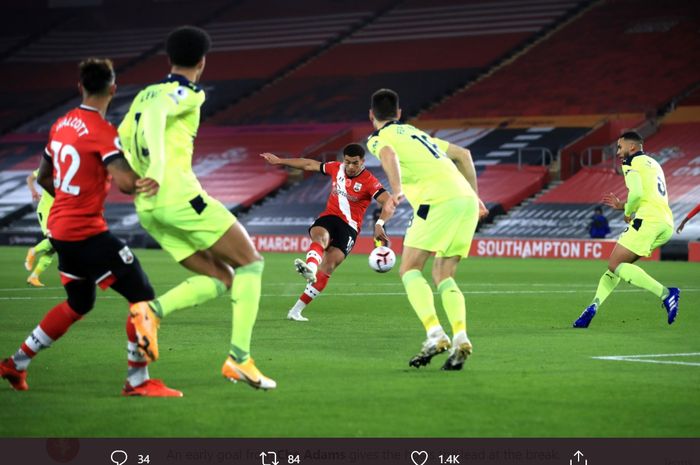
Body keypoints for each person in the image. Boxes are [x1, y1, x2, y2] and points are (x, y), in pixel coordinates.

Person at [0, 58, 180, 397]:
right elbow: (126, 183)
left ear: (80, 87)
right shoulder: (101, 131)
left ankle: (16, 363)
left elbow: (41, 177)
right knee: (142, 297)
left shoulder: (60, 125)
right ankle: (137, 381)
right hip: (86, 233)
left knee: (79, 303)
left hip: (61, 232)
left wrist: (67, 199)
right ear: (113, 89)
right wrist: (150, 179)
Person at [118, 26, 275, 390]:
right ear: (202, 62)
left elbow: (121, 136)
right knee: (251, 262)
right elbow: (159, 114)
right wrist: (156, 170)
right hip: (180, 197)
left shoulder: (144, 94)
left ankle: (150, 313)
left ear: (169, 58)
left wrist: (132, 176)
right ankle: (239, 359)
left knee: (221, 278)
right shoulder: (187, 93)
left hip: (149, 207)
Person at [366, 89, 488, 371]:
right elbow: (464, 155)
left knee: (409, 269)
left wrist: (396, 190)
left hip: (437, 202)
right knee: (444, 274)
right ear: (399, 113)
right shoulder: (418, 133)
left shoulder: (378, 138)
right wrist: (476, 197)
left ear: (372, 116)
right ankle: (460, 338)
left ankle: (435, 334)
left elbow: (387, 153)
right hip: (465, 201)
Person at [260, 143, 395, 322]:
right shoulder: (335, 168)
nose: (351, 167)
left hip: (350, 228)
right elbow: (308, 164)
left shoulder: (369, 181)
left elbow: (389, 202)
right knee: (320, 236)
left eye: (355, 163)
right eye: (348, 162)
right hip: (330, 217)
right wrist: (280, 161)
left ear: (363, 161)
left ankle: (296, 311)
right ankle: (311, 268)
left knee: (330, 265)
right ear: (343, 160)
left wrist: (380, 223)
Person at [573, 131, 680, 328]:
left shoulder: (630, 163)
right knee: (618, 267)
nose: (618, 152)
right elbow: (648, 195)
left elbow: (637, 194)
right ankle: (592, 308)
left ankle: (667, 293)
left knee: (614, 264)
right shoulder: (653, 163)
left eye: (620, 147)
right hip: (665, 223)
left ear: (632, 147)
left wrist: (628, 211)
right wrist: (624, 205)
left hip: (646, 220)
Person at [24, 170, 56, 287]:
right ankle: (33, 251)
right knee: (55, 240)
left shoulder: (70, 174)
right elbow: (30, 178)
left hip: (58, 213)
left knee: (54, 247)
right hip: (46, 211)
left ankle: (34, 276)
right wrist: (33, 192)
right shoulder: (51, 168)